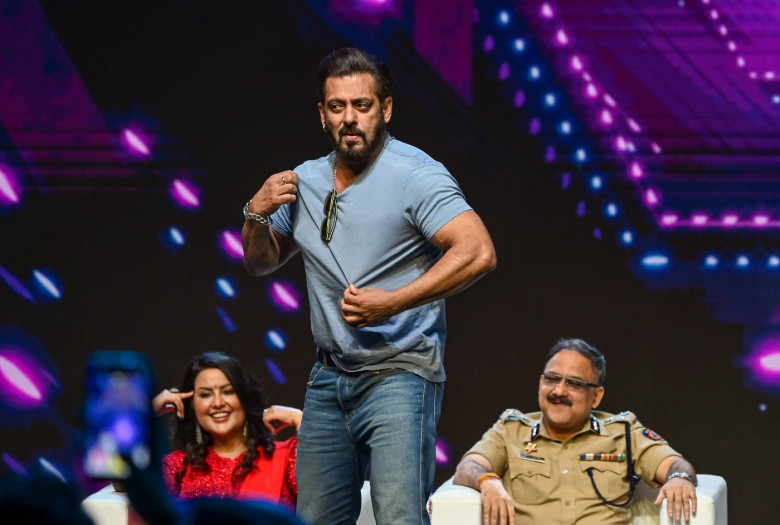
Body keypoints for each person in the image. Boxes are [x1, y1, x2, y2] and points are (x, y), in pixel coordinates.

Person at [241, 47, 497, 524]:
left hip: (399, 372)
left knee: (398, 517)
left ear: (386, 109)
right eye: (337, 107)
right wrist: (256, 212)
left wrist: (394, 302)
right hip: (329, 379)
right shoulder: (305, 181)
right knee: (314, 519)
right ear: (322, 114)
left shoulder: (415, 175)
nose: (350, 118)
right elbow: (260, 264)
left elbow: (478, 252)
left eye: (363, 105)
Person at [454, 338, 698, 525]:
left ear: (596, 396)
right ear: (541, 383)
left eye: (574, 383)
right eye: (552, 379)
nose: (559, 391)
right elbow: (468, 467)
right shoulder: (511, 430)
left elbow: (676, 465)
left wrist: (680, 478)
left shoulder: (622, 432)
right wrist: (488, 481)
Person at [152, 352, 301, 507]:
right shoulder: (179, 467)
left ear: (245, 398)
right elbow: (129, 488)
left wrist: (300, 419)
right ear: (192, 405)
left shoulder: (285, 457)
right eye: (206, 394)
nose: (217, 403)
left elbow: (323, 499)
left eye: (228, 391)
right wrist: (146, 411)